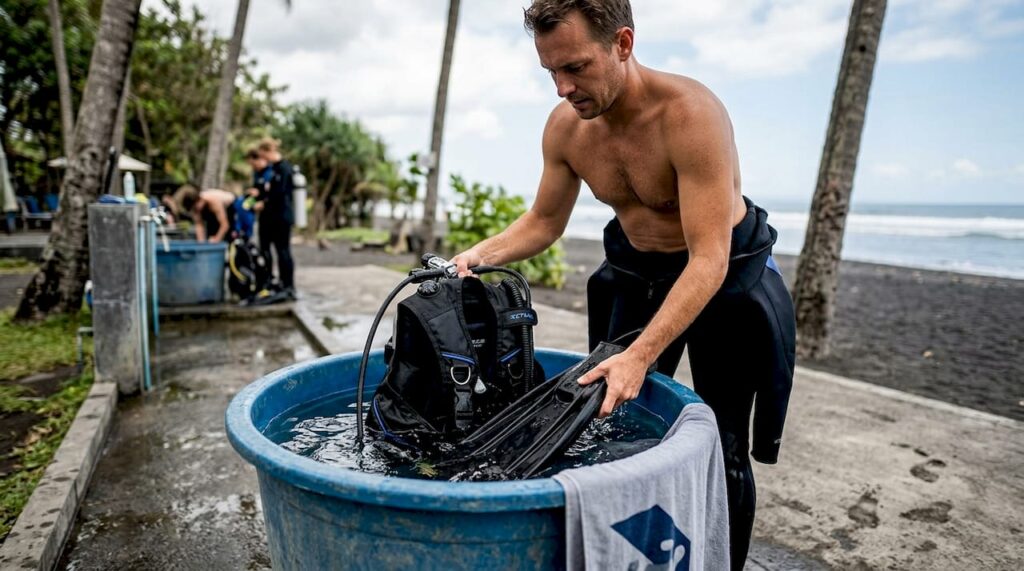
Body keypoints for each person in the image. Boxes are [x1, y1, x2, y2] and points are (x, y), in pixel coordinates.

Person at [450, 2, 796, 568]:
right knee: (609, 419)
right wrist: (474, 257)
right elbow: (544, 222)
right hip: (637, 273)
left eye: (576, 68)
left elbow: (710, 259)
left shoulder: (690, 115)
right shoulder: (567, 128)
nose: (563, 87)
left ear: (623, 44)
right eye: (551, 73)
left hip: (726, 278)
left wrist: (640, 355)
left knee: (724, 444)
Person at [253, 138, 296, 298]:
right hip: (270, 218)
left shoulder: (284, 168)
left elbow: (280, 193)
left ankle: (289, 285)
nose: (263, 159)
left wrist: (264, 202)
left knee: (283, 251)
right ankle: (273, 281)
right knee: (268, 249)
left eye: (264, 155)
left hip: (282, 217)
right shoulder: (272, 169)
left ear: (269, 152)